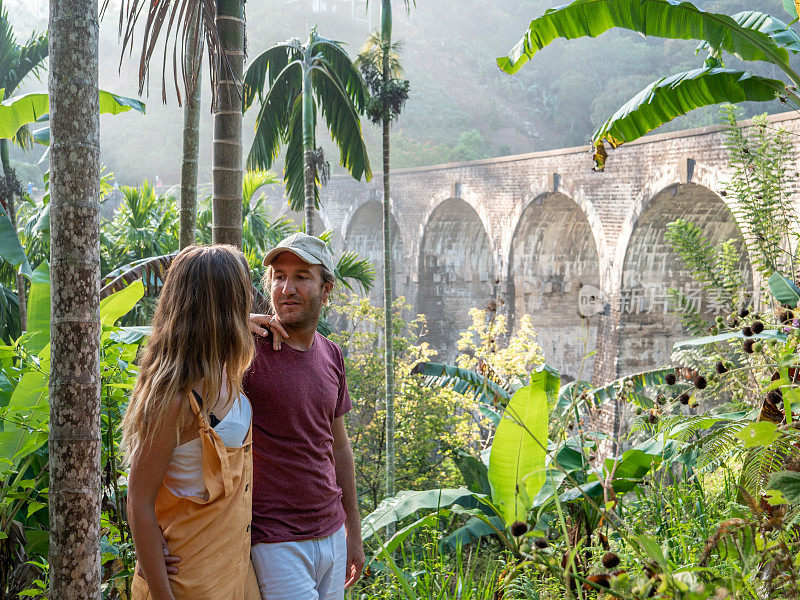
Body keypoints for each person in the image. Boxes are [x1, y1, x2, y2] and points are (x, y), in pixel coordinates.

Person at [124, 245, 262, 600]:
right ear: (224, 306)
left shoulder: (224, 369)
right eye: (242, 293)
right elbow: (139, 501)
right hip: (190, 583)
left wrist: (245, 327)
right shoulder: (173, 399)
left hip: (235, 575)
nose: (251, 298)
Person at [246, 232, 364, 600]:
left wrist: (354, 534)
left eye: (301, 276)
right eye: (279, 276)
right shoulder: (246, 348)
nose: (287, 288)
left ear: (325, 288)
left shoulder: (331, 355)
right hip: (275, 540)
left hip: (331, 533)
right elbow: (178, 347)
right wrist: (231, 323)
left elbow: (339, 448)